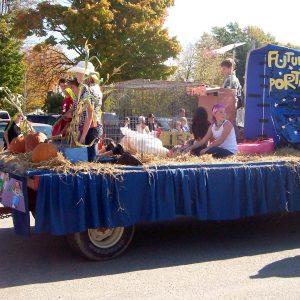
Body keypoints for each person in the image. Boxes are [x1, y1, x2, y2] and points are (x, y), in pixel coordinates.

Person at [68, 61, 103, 162]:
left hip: (91, 129)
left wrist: (83, 135)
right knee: (92, 159)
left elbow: (90, 114)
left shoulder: (88, 90)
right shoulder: (94, 88)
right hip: (94, 128)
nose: (77, 75)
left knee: (91, 161)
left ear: (85, 75)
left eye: (78, 73)